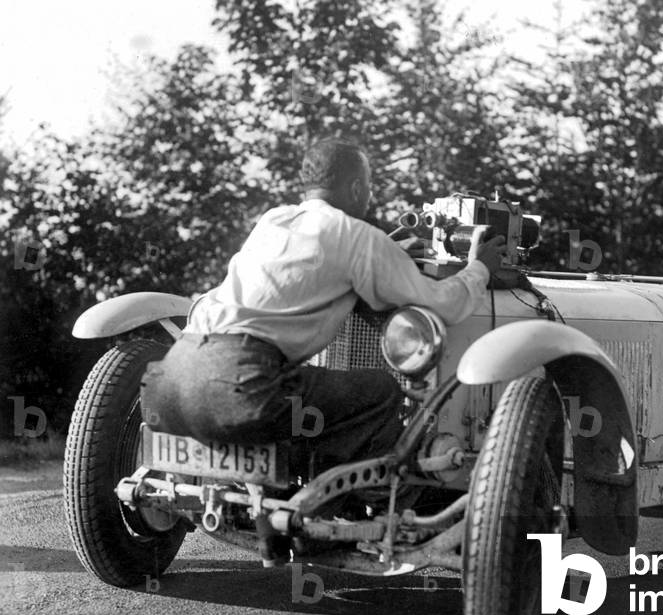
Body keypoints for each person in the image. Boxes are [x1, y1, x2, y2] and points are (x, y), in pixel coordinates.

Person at [140, 138, 506, 472]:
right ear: (357, 187)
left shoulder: (273, 220)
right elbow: (444, 304)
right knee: (381, 391)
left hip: (168, 386)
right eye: (369, 188)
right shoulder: (355, 235)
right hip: (241, 390)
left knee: (293, 400)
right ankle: (362, 507)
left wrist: (390, 252)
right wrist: (480, 268)